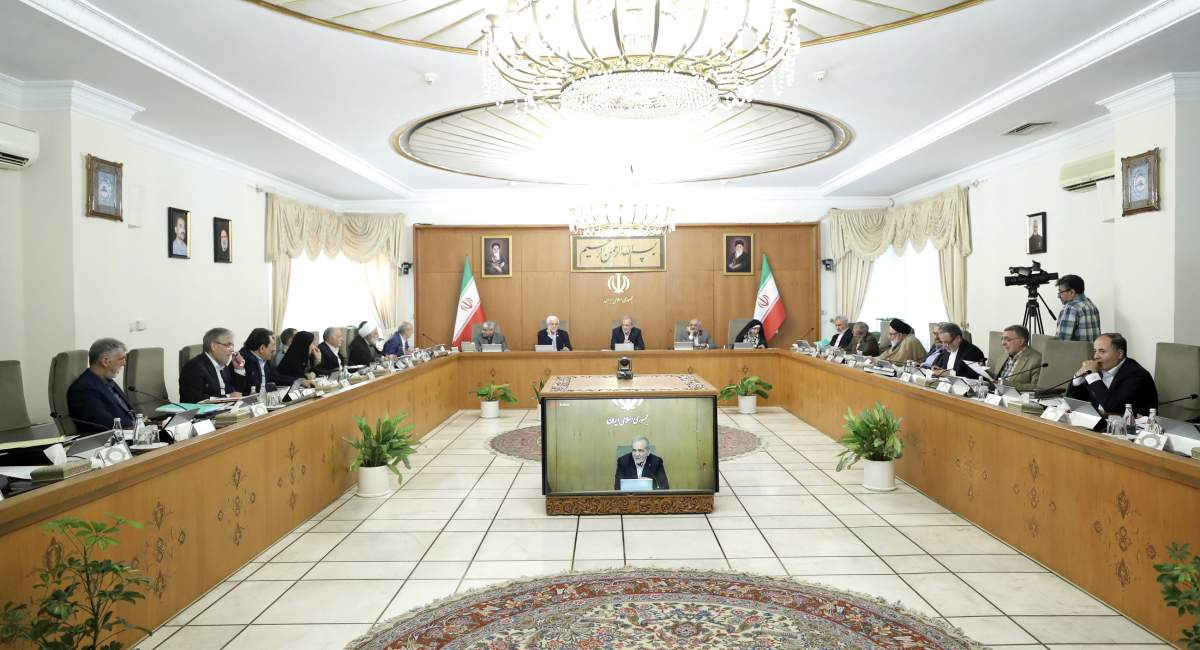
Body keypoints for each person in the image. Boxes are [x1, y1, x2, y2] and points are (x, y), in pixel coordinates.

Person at [1066, 332, 1158, 418]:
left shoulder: (1137, 375)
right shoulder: (1098, 370)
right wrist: (1078, 378)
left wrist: (1093, 376)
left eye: (1102, 351)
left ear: (1119, 354)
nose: (1096, 356)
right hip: (1097, 422)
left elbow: (1113, 408)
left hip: (1129, 426)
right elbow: (1074, 401)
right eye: (1095, 351)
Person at [67, 338, 136, 434]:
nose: (124, 363)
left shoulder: (106, 380)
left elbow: (126, 411)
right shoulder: (84, 389)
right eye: (121, 359)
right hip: (117, 439)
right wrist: (135, 427)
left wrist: (140, 422)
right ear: (105, 362)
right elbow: (104, 426)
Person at [179, 327, 247, 403]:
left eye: (232, 345)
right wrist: (228, 397)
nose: (232, 350)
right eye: (228, 345)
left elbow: (237, 393)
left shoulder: (223, 367)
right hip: (204, 410)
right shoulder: (194, 367)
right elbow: (196, 399)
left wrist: (239, 369)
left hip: (226, 409)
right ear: (213, 346)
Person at [240, 328, 302, 392]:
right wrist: (271, 387)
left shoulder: (265, 360)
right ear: (262, 348)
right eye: (272, 345)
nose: (274, 349)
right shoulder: (243, 360)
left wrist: (299, 381)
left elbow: (277, 378)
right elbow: (252, 387)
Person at [988, 324, 1043, 390]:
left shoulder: (1036, 359)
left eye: (1007, 339)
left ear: (1021, 341)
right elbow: (995, 378)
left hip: (1015, 396)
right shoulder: (1002, 356)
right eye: (1002, 339)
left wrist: (1006, 384)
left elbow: (1036, 387)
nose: (1003, 343)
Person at [1054, 274, 1101, 342]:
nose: (1058, 296)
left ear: (1072, 292)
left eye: (1060, 292)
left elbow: (1062, 342)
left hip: (1077, 349)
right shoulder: (1091, 305)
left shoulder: (1070, 308)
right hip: (1093, 349)